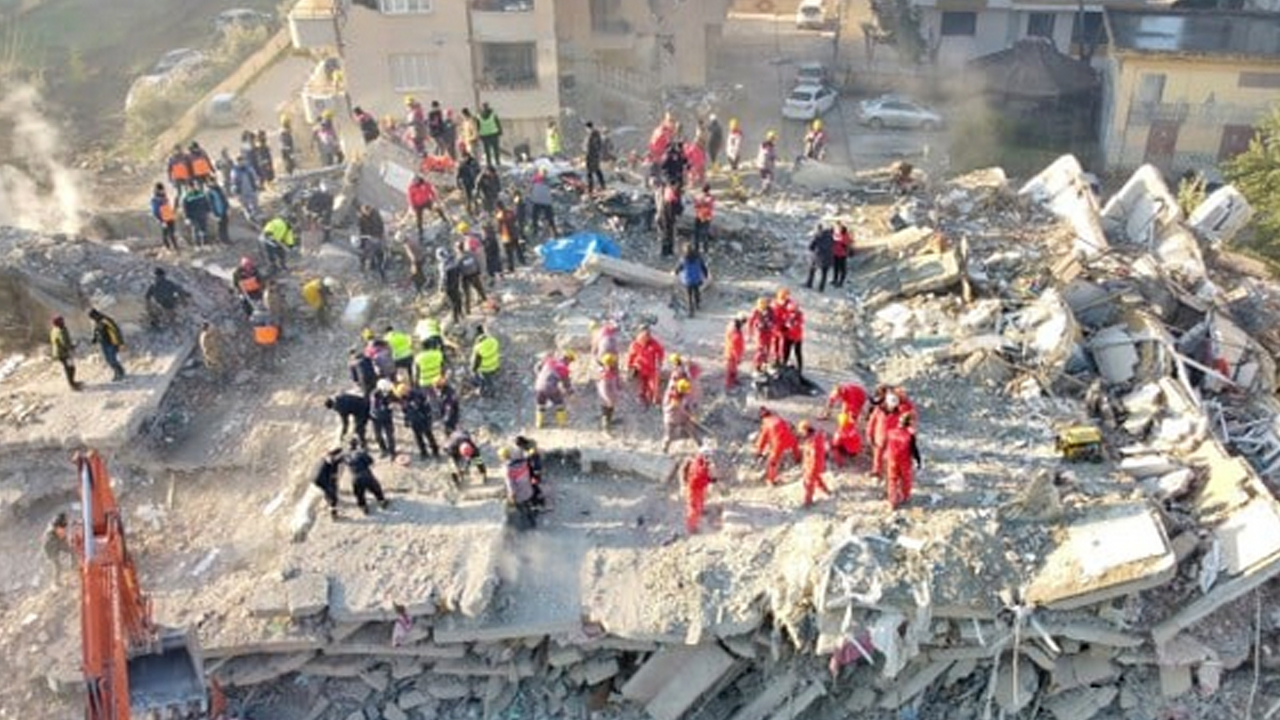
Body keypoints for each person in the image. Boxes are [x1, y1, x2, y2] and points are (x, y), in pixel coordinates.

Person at [755, 407, 800, 486]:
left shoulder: (766, 424)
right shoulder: (778, 418)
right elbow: (790, 427)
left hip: (778, 444)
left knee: (772, 462)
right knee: (795, 446)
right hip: (790, 439)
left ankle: (771, 480)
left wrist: (759, 452)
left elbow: (762, 439)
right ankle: (798, 459)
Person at [344, 437, 390, 515]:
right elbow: (370, 461)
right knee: (375, 487)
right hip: (365, 474)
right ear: (357, 444)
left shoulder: (345, 455)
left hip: (355, 477)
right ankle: (382, 501)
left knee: (359, 494)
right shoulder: (361, 453)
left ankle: (363, 507)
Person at [885, 413, 921, 509]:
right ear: (909, 423)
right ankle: (905, 497)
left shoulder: (890, 432)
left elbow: (887, 445)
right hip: (905, 461)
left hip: (892, 460)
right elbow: (914, 449)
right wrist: (918, 461)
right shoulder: (910, 435)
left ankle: (892, 501)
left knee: (892, 480)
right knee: (906, 480)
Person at [499, 446, 537, 530]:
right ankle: (533, 524)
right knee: (528, 508)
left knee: (518, 510)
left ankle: (522, 528)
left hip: (519, 496)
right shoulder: (523, 463)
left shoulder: (508, 470)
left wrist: (512, 497)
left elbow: (511, 485)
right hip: (528, 491)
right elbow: (527, 455)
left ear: (503, 457)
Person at [626, 326, 665, 408]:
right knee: (641, 385)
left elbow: (661, 352)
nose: (647, 337)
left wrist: (660, 361)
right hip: (639, 369)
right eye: (645, 336)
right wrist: (629, 367)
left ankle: (652, 398)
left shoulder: (654, 343)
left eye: (648, 335)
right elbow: (630, 356)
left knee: (653, 385)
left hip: (651, 369)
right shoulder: (635, 344)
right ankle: (642, 398)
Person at [399, 383, 440, 460]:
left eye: (403, 392)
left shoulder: (417, 394)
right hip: (414, 421)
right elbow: (405, 411)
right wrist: (406, 421)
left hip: (423, 419)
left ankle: (435, 451)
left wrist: (427, 416)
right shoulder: (403, 398)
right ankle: (424, 453)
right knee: (418, 438)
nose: (403, 394)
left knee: (429, 435)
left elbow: (426, 406)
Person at [798, 420, 832, 508]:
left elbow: (814, 456)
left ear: (805, 430)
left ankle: (808, 501)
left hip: (813, 464)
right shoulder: (814, 437)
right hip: (812, 463)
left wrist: (811, 468)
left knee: (809, 482)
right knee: (816, 478)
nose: (801, 434)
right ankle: (825, 490)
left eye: (801, 432)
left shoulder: (813, 442)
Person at [683, 446, 716, 535]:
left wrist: (709, 478)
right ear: (703, 455)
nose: (709, 458)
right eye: (708, 456)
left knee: (701, 500)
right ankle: (691, 527)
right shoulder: (699, 467)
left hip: (699, 487)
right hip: (694, 489)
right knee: (694, 508)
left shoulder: (700, 462)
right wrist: (709, 479)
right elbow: (699, 477)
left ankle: (701, 511)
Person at [534, 351, 572, 429]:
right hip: (551, 387)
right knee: (559, 403)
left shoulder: (549, 361)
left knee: (541, 404)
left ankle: (539, 424)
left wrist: (540, 376)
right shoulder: (563, 368)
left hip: (538, 386)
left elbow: (537, 367)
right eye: (570, 361)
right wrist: (570, 392)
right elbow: (566, 384)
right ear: (568, 360)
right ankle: (562, 423)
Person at [661, 379, 701, 453]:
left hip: (682, 418)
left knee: (692, 431)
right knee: (669, 436)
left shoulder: (684, 396)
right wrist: (689, 415)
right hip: (671, 419)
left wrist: (692, 413)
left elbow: (687, 406)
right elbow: (679, 409)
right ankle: (665, 449)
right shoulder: (672, 397)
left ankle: (701, 446)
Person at [407, 175, 449, 242]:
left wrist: (434, 198)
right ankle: (420, 231)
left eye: (416, 181)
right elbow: (410, 197)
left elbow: (431, 191)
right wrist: (413, 206)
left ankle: (444, 219)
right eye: (414, 181)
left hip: (427, 201)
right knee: (419, 219)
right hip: (418, 205)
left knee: (437, 209)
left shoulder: (425, 184)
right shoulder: (411, 187)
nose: (415, 182)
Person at [88, 308, 126, 381]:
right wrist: (94, 339)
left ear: (96, 315)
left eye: (93, 317)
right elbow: (96, 331)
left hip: (111, 343)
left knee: (112, 359)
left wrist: (121, 343)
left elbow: (116, 330)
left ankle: (119, 373)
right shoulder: (97, 322)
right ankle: (120, 371)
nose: (93, 319)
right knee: (108, 360)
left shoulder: (106, 320)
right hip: (103, 343)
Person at [674, 243, 709, 318]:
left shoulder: (684, 259)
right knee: (696, 291)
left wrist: (675, 272)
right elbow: (703, 267)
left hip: (687, 280)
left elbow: (679, 268)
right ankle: (697, 303)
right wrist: (706, 275)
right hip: (697, 278)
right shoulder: (698, 258)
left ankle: (691, 311)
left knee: (689, 295)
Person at [49, 316, 82, 391]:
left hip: (59, 352)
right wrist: (72, 347)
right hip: (64, 353)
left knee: (69, 368)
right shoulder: (61, 330)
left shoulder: (54, 330)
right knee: (70, 368)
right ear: (59, 323)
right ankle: (72, 385)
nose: (63, 322)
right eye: (62, 321)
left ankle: (72, 383)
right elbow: (64, 342)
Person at [514, 435, 547, 509]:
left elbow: (534, 462)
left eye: (520, 445)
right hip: (531, 470)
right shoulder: (529, 445)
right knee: (532, 485)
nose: (520, 447)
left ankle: (539, 501)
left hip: (534, 471)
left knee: (534, 485)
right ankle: (536, 500)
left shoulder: (531, 453)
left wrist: (536, 473)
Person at [456, 238, 487, 315]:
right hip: (475, 274)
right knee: (480, 290)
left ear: (457, 249)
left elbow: (458, 270)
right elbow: (476, 262)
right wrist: (479, 271)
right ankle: (486, 303)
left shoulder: (458, 259)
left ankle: (467, 311)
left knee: (467, 294)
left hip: (466, 278)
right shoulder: (470, 254)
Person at [313, 447, 345, 519]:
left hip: (315, 478)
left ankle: (328, 499)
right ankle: (334, 514)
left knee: (326, 490)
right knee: (333, 496)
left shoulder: (324, 457)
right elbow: (334, 476)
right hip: (321, 479)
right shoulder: (332, 462)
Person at [370, 379, 399, 459]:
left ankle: (392, 452)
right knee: (378, 435)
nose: (388, 391)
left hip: (387, 417)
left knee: (390, 435)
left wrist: (396, 403)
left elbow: (396, 399)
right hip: (376, 417)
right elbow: (376, 407)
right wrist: (387, 407)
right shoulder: (374, 394)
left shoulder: (390, 393)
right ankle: (383, 450)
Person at [470, 325, 501, 397]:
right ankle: (491, 390)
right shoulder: (493, 341)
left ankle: (482, 391)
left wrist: (473, 369)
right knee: (490, 379)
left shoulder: (478, 348)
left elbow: (476, 361)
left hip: (485, 368)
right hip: (494, 364)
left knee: (484, 380)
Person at [495, 201, 525, 272]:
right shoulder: (510, 212)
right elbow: (515, 219)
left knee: (509, 252)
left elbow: (499, 227)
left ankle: (511, 267)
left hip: (506, 235)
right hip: (514, 233)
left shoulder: (499, 215)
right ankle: (522, 260)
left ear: (498, 208)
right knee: (518, 248)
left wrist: (499, 233)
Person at [747, 297, 776, 371]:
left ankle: (765, 363)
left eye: (764, 305)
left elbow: (774, 320)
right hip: (760, 332)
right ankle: (757, 365)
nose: (763, 307)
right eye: (761, 306)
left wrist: (771, 324)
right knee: (760, 349)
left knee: (768, 348)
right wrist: (750, 332)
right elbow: (750, 321)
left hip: (768, 332)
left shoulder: (770, 310)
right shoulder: (756, 311)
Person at [43, 512, 71, 585]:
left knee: (72, 549)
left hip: (57, 541)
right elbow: (61, 535)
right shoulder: (52, 533)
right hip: (51, 547)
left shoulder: (59, 524)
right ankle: (56, 582)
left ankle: (73, 566)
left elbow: (62, 535)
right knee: (57, 566)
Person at [805, 223, 834, 293]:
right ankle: (821, 288)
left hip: (817, 256)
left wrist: (813, 250)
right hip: (828, 258)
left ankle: (809, 284)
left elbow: (811, 246)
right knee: (824, 274)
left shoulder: (818, 236)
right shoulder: (831, 237)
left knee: (812, 270)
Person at [230, 154, 261, 222]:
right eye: (239, 161)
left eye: (242, 161)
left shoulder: (249, 168)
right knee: (246, 206)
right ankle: (249, 219)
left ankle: (256, 217)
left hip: (251, 189)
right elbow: (233, 182)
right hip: (242, 192)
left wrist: (257, 183)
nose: (241, 163)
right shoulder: (234, 171)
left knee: (254, 203)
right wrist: (235, 192)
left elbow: (255, 177)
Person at [657, 182, 682, 258]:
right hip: (668, 217)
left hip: (664, 215)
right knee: (668, 234)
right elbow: (678, 209)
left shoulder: (667, 191)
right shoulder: (674, 196)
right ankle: (667, 251)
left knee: (665, 234)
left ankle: (665, 251)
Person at [150, 183, 178, 252]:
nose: (163, 191)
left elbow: (169, 207)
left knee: (172, 234)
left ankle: (175, 248)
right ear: (157, 190)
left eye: (163, 190)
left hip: (170, 218)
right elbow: (155, 211)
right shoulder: (155, 200)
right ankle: (168, 248)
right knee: (166, 234)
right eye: (161, 190)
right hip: (164, 220)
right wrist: (161, 221)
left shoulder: (165, 197)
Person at [780, 298, 805, 374]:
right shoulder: (787, 314)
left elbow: (797, 324)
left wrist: (787, 326)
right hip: (789, 336)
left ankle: (800, 367)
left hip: (797, 337)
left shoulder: (799, 315)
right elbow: (784, 322)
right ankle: (784, 363)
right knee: (786, 350)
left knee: (797, 352)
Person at [529, 172, 557, 239]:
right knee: (550, 217)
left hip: (538, 202)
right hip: (546, 202)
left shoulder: (535, 182)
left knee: (534, 216)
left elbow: (531, 191)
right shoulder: (546, 182)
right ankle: (554, 231)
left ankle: (535, 230)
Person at [477, 102, 503, 167]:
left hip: (484, 135)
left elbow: (478, 126)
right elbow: (497, 122)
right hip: (493, 133)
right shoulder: (493, 114)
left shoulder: (479, 115)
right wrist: (500, 131)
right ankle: (497, 161)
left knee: (487, 150)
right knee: (495, 149)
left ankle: (489, 162)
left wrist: (479, 134)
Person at [724, 314, 745, 391]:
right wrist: (738, 357)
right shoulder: (736, 335)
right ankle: (729, 385)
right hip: (732, 354)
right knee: (730, 370)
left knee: (734, 369)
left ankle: (733, 381)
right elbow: (735, 348)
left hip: (730, 352)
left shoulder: (731, 327)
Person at [456, 150, 480, 216]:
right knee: (468, 197)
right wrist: (458, 184)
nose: (464, 159)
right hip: (466, 183)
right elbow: (458, 175)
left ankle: (477, 209)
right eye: (463, 157)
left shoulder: (473, 162)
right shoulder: (462, 165)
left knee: (475, 196)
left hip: (473, 181)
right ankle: (469, 210)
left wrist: (475, 175)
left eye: (465, 157)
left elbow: (478, 169)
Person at [584, 121, 605, 194]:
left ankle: (591, 189)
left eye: (586, 128)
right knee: (596, 170)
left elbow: (592, 146)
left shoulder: (592, 134)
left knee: (590, 172)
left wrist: (589, 154)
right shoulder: (595, 134)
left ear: (588, 127)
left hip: (591, 156)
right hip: (594, 156)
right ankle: (602, 185)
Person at [692, 184, 714, 254]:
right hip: (706, 217)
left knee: (696, 233)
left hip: (698, 216)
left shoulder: (698, 196)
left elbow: (695, 205)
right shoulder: (710, 198)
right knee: (705, 234)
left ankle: (696, 248)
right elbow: (710, 207)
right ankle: (705, 249)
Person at [832, 222, 851, 289]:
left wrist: (842, 244)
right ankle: (835, 280)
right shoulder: (836, 233)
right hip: (836, 253)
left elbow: (846, 244)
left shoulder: (845, 235)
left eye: (839, 228)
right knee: (836, 268)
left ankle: (841, 282)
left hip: (842, 254)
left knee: (842, 269)